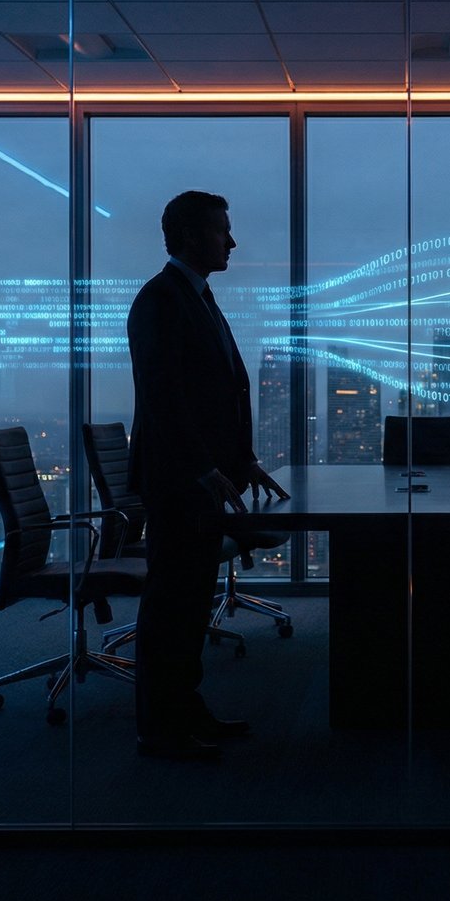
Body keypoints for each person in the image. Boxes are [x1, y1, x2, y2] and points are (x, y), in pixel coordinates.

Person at [128, 190, 287, 761]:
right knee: (171, 607)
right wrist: (202, 468)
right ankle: (158, 730)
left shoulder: (195, 297)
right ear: (192, 237)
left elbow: (216, 393)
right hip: (179, 487)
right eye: (223, 230)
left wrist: (241, 461)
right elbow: (164, 399)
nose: (233, 240)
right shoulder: (159, 301)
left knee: (190, 606)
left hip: (202, 483)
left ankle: (185, 710)